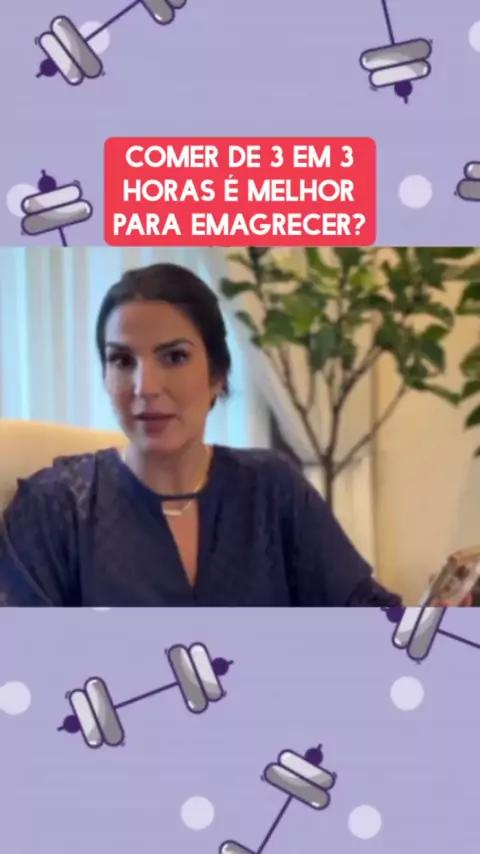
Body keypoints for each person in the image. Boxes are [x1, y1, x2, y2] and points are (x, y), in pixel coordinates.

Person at [0, 263, 471, 608]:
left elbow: (365, 619)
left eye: (174, 357)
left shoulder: (273, 489)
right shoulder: (53, 507)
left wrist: (433, 622)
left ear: (217, 375)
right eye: (122, 360)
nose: (145, 387)